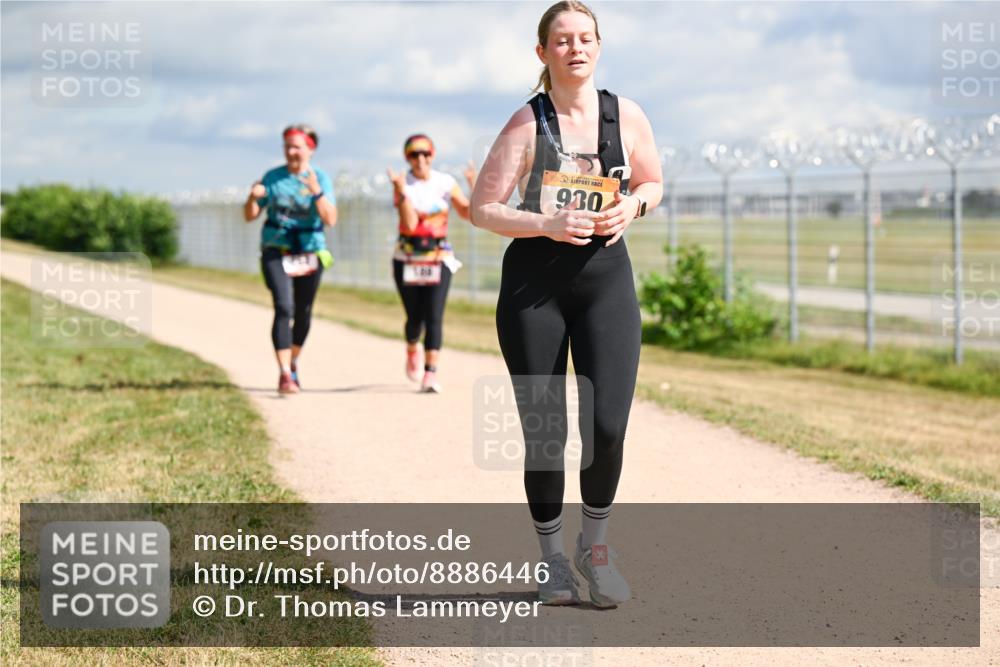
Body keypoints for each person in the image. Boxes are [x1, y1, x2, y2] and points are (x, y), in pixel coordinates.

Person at [469, 1, 662, 607]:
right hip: (535, 289)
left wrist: (635, 206)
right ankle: (553, 560)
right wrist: (546, 224)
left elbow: (653, 181)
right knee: (546, 434)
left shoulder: (625, 114)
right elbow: (484, 207)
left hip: (606, 283)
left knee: (607, 428)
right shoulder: (527, 123)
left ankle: (595, 550)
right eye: (562, 40)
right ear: (543, 53)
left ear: (599, 47)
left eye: (586, 38)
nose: (575, 48)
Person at [243, 124, 337, 394]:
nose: (291, 151)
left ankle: (293, 361)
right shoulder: (272, 177)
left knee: (303, 312)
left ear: (311, 149)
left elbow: (330, 219)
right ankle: (284, 374)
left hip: (310, 251)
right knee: (284, 307)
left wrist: (317, 192)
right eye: (287, 146)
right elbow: (249, 215)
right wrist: (252, 197)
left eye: (297, 146)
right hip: (276, 250)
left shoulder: (321, 178)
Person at [387, 134, 475, 393]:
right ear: (407, 158)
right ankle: (412, 346)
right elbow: (411, 224)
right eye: (414, 155)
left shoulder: (445, 182)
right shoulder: (404, 184)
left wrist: (472, 184)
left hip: (439, 257)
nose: (421, 159)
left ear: (433, 155)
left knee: (434, 315)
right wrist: (401, 191)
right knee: (416, 318)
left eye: (425, 153)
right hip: (407, 257)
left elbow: (468, 213)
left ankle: (430, 374)